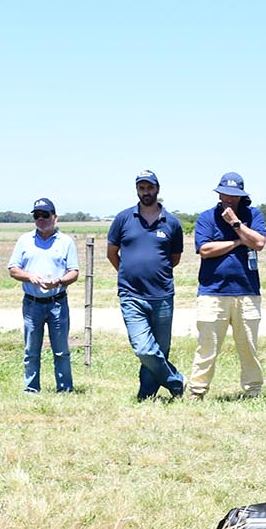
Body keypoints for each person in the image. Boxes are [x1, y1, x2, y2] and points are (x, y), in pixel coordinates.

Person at [188, 172, 266, 399]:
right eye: (225, 194)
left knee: (249, 347)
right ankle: (197, 392)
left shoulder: (253, 215)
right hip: (212, 292)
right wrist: (239, 241)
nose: (229, 199)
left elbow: (260, 243)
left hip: (247, 292)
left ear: (242, 196)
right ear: (219, 194)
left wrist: (235, 223)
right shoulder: (206, 217)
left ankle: (253, 392)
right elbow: (205, 250)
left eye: (234, 196)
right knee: (207, 347)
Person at [106, 170, 185, 400]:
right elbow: (112, 253)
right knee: (144, 348)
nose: (146, 192)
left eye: (149, 187)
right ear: (137, 190)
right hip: (131, 295)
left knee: (159, 350)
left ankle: (146, 395)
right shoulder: (123, 218)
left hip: (162, 296)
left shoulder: (172, 222)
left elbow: (174, 258)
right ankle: (176, 380)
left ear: (157, 189)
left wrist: (155, 273)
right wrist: (129, 273)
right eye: (141, 188)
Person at [7, 197, 79, 393]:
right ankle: (31, 389)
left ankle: (64, 389)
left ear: (55, 217)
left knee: (61, 350)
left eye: (45, 215)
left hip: (57, 302)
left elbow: (74, 272)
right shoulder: (24, 240)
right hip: (32, 304)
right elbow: (13, 269)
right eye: (37, 215)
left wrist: (59, 281)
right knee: (31, 350)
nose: (41, 219)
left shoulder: (65, 242)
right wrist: (30, 276)